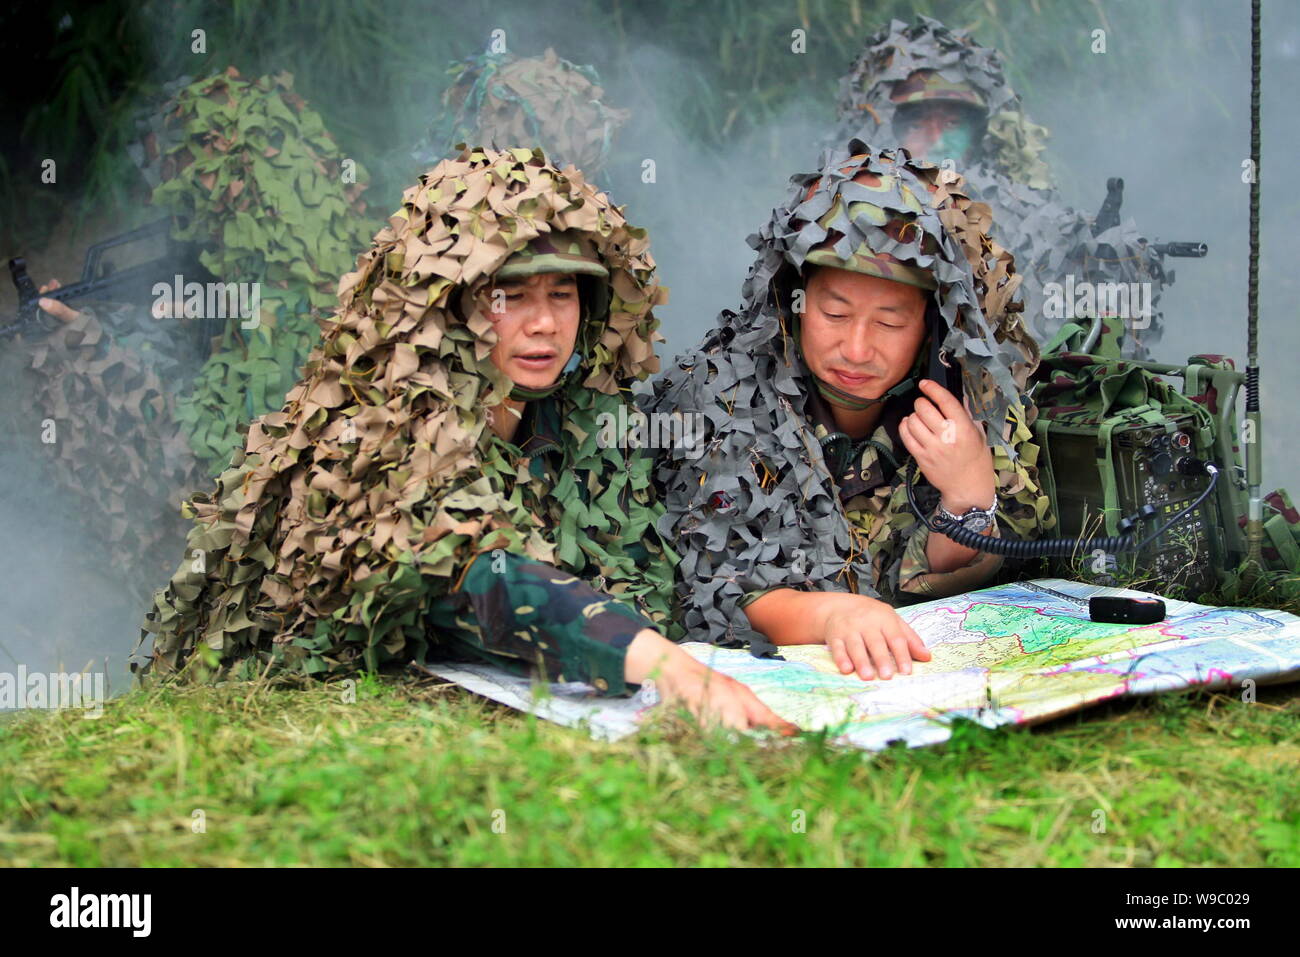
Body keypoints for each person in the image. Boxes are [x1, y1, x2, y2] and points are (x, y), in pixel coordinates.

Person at [137, 146, 793, 734]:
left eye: (562, 294)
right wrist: (661, 664)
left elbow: (641, 573)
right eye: (509, 296)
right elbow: (474, 574)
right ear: (447, 304)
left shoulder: (578, 421)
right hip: (293, 706)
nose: (541, 323)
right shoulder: (379, 424)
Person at [644, 142, 1053, 682]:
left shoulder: (972, 404)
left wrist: (968, 497)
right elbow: (720, 584)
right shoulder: (720, 400)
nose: (857, 350)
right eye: (834, 313)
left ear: (933, 330)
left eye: (889, 322)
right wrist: (833, 613)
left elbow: (978, 584)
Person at [831, 15, 1174, 360]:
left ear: (978, 131)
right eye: (919, 124)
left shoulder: (1010, 202)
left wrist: (1105, 252)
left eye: (951, 124)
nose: (936, 140)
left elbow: (1062, 243)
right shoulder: (851, 205)